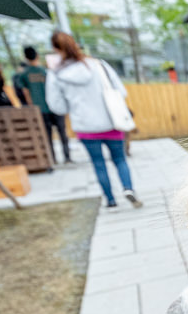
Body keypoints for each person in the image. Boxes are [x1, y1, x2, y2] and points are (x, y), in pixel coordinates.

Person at [45, 31, 142, 209]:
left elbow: (57, 107)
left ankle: (110, 200)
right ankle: (128, 189)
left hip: (85, 127)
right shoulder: (99, 65)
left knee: (98, 163)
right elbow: (121, 92)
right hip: (111, 122)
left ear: (55, 49)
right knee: (120, 159)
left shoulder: (55, 74)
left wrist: (74, 105)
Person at [18, 46, 71, 164]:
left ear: (25, 57)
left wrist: (32, 107)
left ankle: (53, 159)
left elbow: (26, 93)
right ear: (37, 56)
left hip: (39, 109)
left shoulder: (24, 74)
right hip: (55, 107)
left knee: (47, 136)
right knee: (62, 133)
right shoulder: (46, 71)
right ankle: (67, 157)